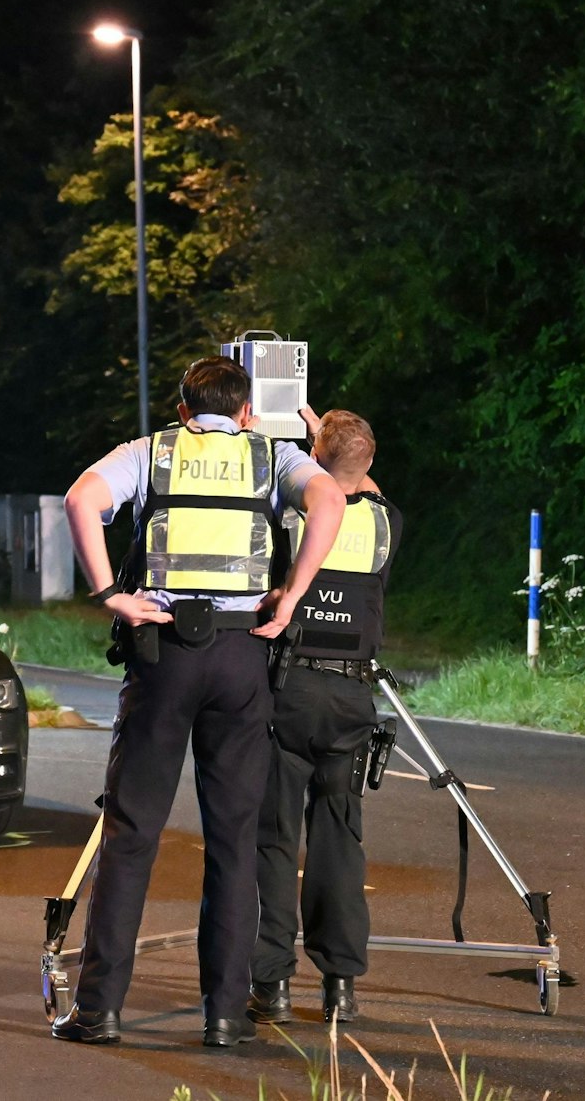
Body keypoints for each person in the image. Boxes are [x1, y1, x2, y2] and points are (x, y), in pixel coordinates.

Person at [52, 356, 344, 1049]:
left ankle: (100, 1011)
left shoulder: (149, 452)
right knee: (234, 841)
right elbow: (330, 500)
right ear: (247, 412)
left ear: (184, 410)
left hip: (163, 653)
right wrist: (293, 593)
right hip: (242, 655)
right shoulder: (271, 457)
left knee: (131, 833)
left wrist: (108, 594)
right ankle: (222, 1015)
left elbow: (79, 500)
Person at [247, 408, 400, 1026]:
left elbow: (307, 487)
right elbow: (363, 482)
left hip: (288, 691)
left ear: (316, 456)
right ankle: (340, 988)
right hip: (351, 700)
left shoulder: (292, 518)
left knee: (276, 841)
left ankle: (272, 987)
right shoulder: (387, 523)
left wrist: (295, 440)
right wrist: (333, 439)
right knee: (341, 843)